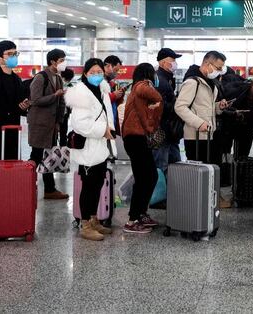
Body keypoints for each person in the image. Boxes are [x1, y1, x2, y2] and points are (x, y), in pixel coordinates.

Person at [65, 58, 115, 241]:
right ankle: (85, 224)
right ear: (85, 73)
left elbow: (107, 115)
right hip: (88, 147)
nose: (96, 75)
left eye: (99, 71)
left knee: (98, 185)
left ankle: (94, 220)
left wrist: (109, 130)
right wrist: (103, 131)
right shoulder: (81, 94)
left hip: (100, 147)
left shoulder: (102, 90)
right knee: (88, 187)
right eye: (92, 72)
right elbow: (79, 125)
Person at [120, 63, 163, 234]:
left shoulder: (136, 88)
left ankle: (141, 213)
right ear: (148, 74)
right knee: (144, 178)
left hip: (136, 138)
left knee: (149, 176)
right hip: (135, 138)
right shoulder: (141, 86)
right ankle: (132, 220)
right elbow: (156, 96)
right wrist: (157, 102)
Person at [27, 49, 69, 200]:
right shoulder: (41, 77)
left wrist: (59, 121)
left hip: (52, 125)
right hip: (40, 124)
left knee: (48, 156)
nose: (64, 63)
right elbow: (35, 100)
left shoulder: (58, 78)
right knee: (36, 155)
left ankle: (49, 189)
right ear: (52, 62)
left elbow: (60, 102)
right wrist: (54, 95)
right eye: (62, 60)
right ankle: (26, 184)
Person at [175, 51, 228, 163]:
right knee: (198, 176)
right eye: (218, 68)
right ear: (207, 64)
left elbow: (205, 106)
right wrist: (199, 123)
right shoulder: (193, 82)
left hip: (209, 135)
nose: (219, 72)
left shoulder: (210, 83)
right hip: (195, 137)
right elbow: (180, 107)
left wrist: (219, 106)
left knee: (208, 174)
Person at [154, 47, 182, 171]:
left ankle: (171, 190)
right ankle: (161, 190)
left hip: (170, 131)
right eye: (172, 60)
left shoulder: (167, 78)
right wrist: (176, 104)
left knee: (174, 164)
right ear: (162, 62)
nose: (174, 63)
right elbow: (159, 105)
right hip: (162, 131)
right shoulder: (159, 80)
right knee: (162, 165)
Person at [104, 55, 125, 134]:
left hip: (111, 120)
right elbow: (99, 99)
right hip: (104, 122)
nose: (116, 73)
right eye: (116, 70)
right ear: (108, 66)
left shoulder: (110, 82)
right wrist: (114, 95)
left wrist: (119, 94)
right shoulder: (100, 81)